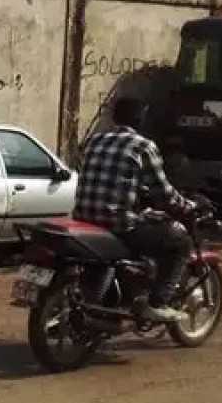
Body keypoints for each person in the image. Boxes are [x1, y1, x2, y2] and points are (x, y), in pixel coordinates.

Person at [74, 96, 194, 322]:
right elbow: (165, 195)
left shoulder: (93, 140)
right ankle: (158, 303)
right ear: (141, 118)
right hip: (118, 226)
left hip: (85, 222)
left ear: (114, 117)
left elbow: (103, 177)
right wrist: (188, 206)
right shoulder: (143, 146)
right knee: (179, 242)